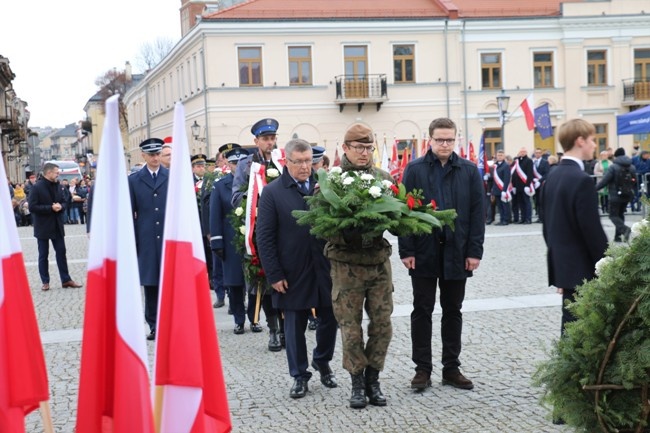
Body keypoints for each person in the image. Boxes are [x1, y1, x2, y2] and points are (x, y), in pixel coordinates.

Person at [398, 117, 485, 392]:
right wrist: (407, 249)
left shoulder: (470, 171)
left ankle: (451, 368)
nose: (445, 144)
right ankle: (422, 369)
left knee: (453, 311)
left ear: (455, 139)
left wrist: (474, 251)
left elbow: (477, 215)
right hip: (423, 252)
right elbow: (404, 212)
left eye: (449, 139)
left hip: (458, 253)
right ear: (430, 140)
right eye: (440, 140)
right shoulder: (414, 170)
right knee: (421, 310)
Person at [257, 139, 338, 399]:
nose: (305, 167)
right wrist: (274, 274)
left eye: (309, 161)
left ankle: (322, 360)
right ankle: (299, 375)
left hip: (325, 266)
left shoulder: (324, 186)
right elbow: (265, 237)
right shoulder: (272, 192)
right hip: (292, 270)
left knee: (331, 318)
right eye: (299, 162)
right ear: (286, 162)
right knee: (294, 326)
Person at [324, 123, 394, 409]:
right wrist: (349, 231)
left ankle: (373, 379)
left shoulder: (384, 179)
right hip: (347, 267)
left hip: (378, 264)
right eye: (359, 148)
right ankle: (356, 380)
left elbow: (397, 219)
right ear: (345, 148)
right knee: (351, 329)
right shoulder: (331, 182)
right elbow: (322, 226)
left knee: (383, 326)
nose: (364, 153)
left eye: (369, 148)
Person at [541, 119, 608, 338]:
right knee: (581, 333)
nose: (594, 145)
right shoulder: (581, 180)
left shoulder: (552, 177)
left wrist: (561, 271)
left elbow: (547, 228)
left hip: (566, 268)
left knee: (570, 327)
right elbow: (591, 231)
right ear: (580, 141)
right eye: (592, 140)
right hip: (584, 269)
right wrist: (608, 263)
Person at [231, 118, 284, 352]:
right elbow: (235, 197)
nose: (270, 143)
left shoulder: (282, 161)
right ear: (256, 141)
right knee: (263, 281)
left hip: (283, 230)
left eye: (273, 138)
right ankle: (272, 330)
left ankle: (285, 328)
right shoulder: (245, 165)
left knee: (285, 280)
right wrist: (253, 203)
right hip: (256, 231)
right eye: (265, 139)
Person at [128, 138, 169, 341]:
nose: (155, 158)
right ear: (143, 156)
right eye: (151, 155)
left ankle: (170, 322)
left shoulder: (171, 177)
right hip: (145, 238)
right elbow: (129, 212)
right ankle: (154, 324)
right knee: (151, 283)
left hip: (167, 238)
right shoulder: (134, 180)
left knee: (169, 282)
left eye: (157, 154)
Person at [210, 144, 250, 332]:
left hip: (251, 238)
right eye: (234, 163)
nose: (237, 167)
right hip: (230, 239)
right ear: (228, 164)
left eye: (241, 163)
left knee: (253, 280)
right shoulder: (220, 185)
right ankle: (239, 319)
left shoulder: (253, 182)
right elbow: (215, 215)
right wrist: (216, 241)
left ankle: (255, 318)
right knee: (234, 281)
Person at [27, 162, 83, 291]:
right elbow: (32, 207)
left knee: (61, 252)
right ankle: (45, 281)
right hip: (43, 226)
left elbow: (65, 200)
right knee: (43, 255)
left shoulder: (59, 185)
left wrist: (61, 207)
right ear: (48, 173)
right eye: (56, 172)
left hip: (57, 225)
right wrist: (50, 208)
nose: (58, 174)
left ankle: (66, 279)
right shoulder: (37, 187)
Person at [595, 147, 636, 242]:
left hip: (615, 196)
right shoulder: (632, 167)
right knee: (620, 214)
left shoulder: (613, 167)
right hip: (627, 194)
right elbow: (635, 181)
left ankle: (625, 229)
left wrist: (594, 189)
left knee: (613, 215)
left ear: (616, 156)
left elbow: (605, 181)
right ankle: (618, 237)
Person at [307, 144, 328, 331]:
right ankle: (311, 315)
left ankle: (323, 315)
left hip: (324, 246)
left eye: (316, 163)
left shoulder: (330, 184)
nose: (312, 167)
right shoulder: (303, 183)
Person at [511, 147, 535, 224]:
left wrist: (528, 185)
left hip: (525, 186)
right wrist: (514, 186)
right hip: (518, 186)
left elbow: (530, 174)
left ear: (526, 152)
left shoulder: (529, 161)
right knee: (521, 203)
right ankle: (523, 218)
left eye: (524, 151)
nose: (522, 153)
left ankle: (528, 219)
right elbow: (515, 175)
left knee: (527, 202)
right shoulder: (517, 161)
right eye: (521, 151)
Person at [490, 149, 511, 225]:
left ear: (504, 156)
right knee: (499, 206)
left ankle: (506, 220)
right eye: (498, 155)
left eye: (501, 155)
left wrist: (504, 190)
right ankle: (502, 219)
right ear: (496, 156)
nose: (499, 156)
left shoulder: (506, 166)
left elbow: (507, 179)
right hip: (496, 189)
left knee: (505, 206)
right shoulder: (495, 165)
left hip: (503, 190)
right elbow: (494, 179)